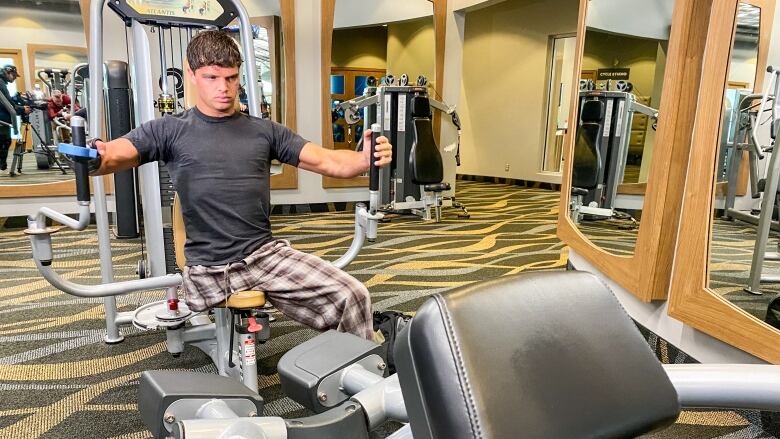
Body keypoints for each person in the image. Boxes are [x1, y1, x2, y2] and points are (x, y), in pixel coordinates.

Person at [89, 31, 393, 340]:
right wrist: (94, 156)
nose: (223, 88)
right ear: (192, 75)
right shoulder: (168, 130)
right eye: (211, 77)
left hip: (264, 256)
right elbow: (113, 156)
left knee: (353, 295)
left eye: (232, 78)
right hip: (209, 266)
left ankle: (356, 376)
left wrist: (364, 158)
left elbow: (329, 162)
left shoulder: (264, 131)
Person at [0, 65, 31, 174]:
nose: (14, 78)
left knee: (5, 142)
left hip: (4, 118)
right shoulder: (1, 83)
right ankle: (2, 164)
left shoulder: (2, 83)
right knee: (4, 141)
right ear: (7, 73)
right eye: (13, 75)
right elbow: (6, 104)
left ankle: (2, 164)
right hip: (2, 119)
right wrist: (23, 109)